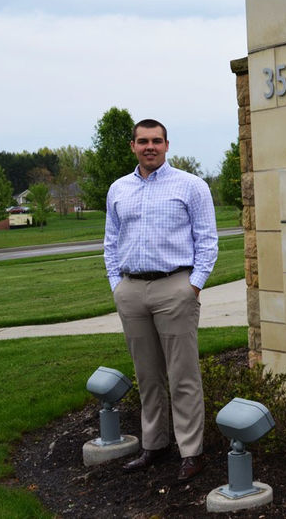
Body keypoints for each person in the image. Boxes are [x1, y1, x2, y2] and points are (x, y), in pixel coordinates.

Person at [103, 118, 218, 481]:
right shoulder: (118, 189)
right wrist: (116, 286)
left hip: (175, 288)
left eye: (156, 141)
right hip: (132, 290)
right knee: (147, 375)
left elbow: (208, 241)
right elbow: (111, 241)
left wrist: (193, 286)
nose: (149, 146)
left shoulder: (191, 186)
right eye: (142, 141)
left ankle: (191, 451)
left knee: (183, 375)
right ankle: (153, 444)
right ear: (132, 146)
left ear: (167, 145)